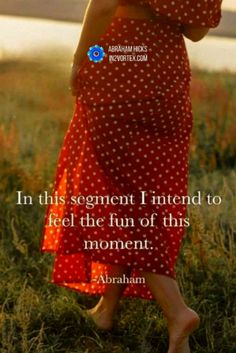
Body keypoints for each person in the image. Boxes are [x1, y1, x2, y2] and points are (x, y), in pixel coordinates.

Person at [40, 1, 222, 352]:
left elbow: (105, 4)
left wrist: (82, 58)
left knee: (123, 198)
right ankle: (107, 308)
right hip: (166, 77)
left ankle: (177, 312)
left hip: (121, 60)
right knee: (137, 193)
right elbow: (196, 31)